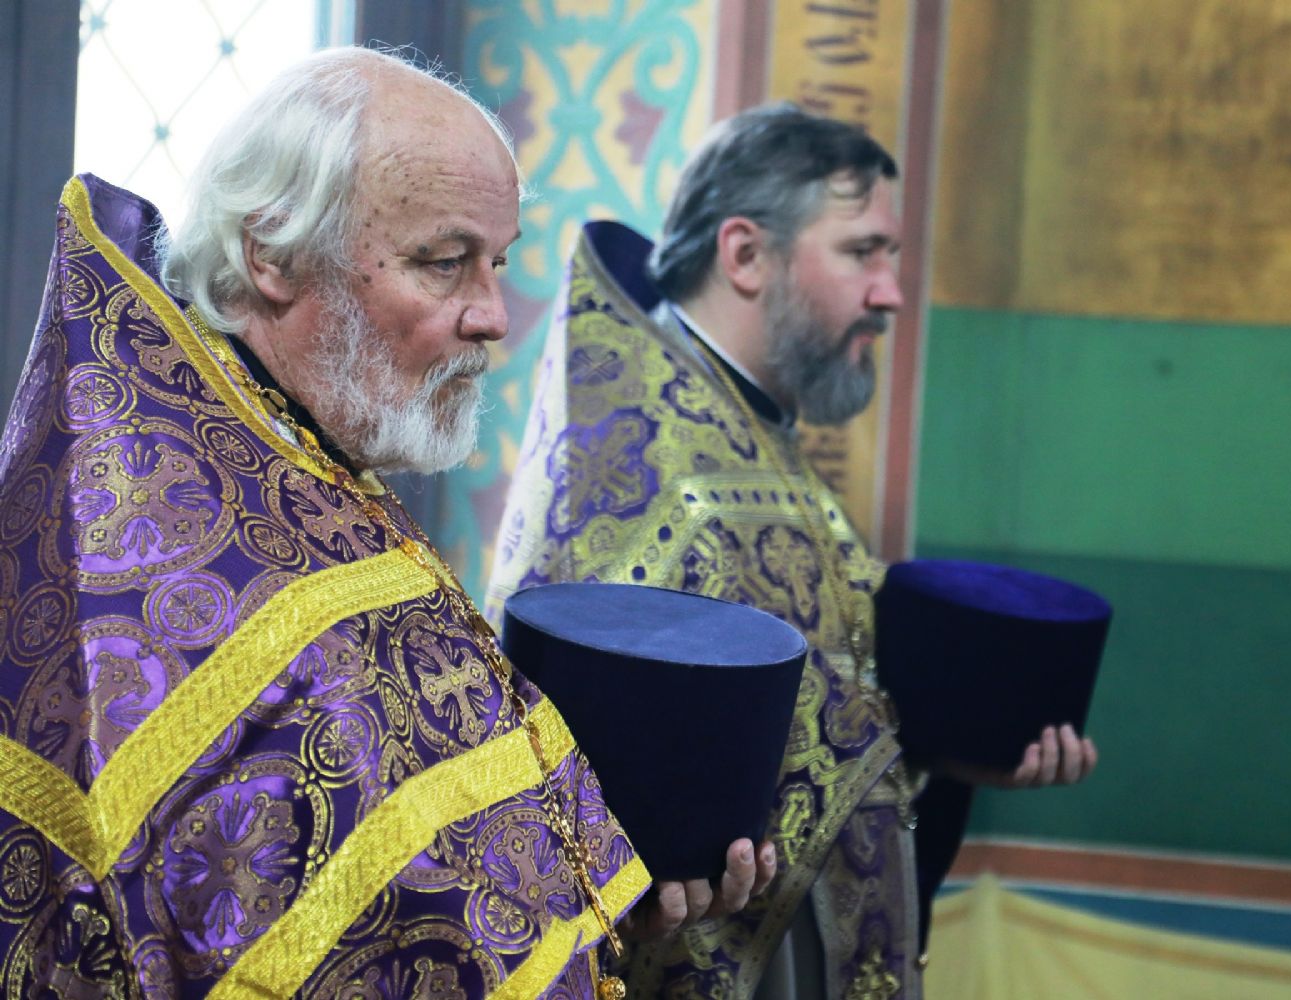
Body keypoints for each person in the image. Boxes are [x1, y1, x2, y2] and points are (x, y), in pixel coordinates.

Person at [0, 47, 766, 998]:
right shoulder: (181, 555)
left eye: (497, 263)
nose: (493, 315)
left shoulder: (295, 453)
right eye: (444, 263)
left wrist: (593, 903)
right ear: (271, 253)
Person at [486, 103, 1098, 999]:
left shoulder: (751, 429)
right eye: (863, 252)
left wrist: (955, 748)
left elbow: (833, 709)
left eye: (890, 256)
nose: (890, 293)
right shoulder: (647, 462)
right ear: (744, 254)